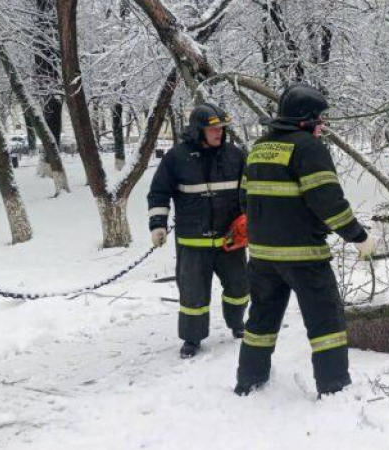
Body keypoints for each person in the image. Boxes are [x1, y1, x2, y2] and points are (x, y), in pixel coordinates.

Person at [234, 84, 374, 396]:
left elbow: (244, 200)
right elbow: (328, 202)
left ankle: (249, 380)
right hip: (304, 257)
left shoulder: (259, 147)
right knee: (326, 323)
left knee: (260, 320)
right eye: (320, 118)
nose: (323, 124)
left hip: (261, 257)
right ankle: (334, 386)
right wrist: (358, 236)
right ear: (305, 118)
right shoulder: (309, 148)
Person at [147, 103, 249, 359]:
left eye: (222, 128)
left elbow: (249, 191)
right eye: (213, 129)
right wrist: (158, 224)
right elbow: (159, 192)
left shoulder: (235, 155)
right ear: (197, 130)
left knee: (239, 289)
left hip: (231, 241)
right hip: (193, 244)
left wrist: (252, 220)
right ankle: (192, 339)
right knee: (193, 296)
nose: (219, 133)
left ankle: (238, 324)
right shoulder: (176, 157)